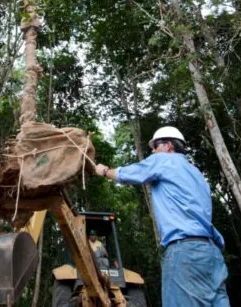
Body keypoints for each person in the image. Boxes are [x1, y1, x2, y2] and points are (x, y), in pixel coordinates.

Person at [95, 126, 229, 306]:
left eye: (156, 145)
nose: (153, 150)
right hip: (212, 255)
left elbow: (129, 174)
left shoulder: (164, 161)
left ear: (168, 146)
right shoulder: (196, 173)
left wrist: (104, 171)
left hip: (185, 253)